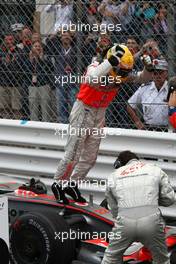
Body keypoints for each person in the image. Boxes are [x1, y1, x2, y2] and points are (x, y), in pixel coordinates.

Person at [52, 39, 154, 204]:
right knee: (73, 153)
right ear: (112, 62)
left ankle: (72, 183)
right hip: (83, 110)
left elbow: (142, 78)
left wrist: (148, 68)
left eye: (125, 71)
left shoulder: (120, 73)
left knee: (90, 157)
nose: (123, 75)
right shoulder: (95, 66)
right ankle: (57, 183)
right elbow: (92, 78)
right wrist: (110, 62)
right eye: (120, 70)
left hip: (100, 113)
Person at [102, 150, 175, 264]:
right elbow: (169, 199)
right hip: (151, 220)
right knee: (161, 259)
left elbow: (114, 211)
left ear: (119, 164)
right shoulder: (155, 170)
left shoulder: (113, 176)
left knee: (111, 257)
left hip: (125, 221)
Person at [127, 58, 169, 131]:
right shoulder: (145, 88)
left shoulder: (171, 89)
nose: (158, 75)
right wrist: (138, 122)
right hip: (149, 128)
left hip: (168, 128)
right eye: (155, 73)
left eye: (161, 72)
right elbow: (130, 105)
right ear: (152, 74)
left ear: (166, 73)